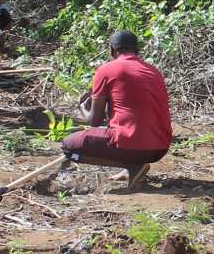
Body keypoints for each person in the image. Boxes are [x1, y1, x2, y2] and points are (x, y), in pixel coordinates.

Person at [61, 30, 173, 189]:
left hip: (134, 146)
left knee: (68, 146)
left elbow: (94, 120)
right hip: (160, 148)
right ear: (137, 50)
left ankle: (132, 166)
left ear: (111, 50)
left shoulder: (106, 70)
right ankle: (134, 166)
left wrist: (81, 107)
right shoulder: (154, 71)